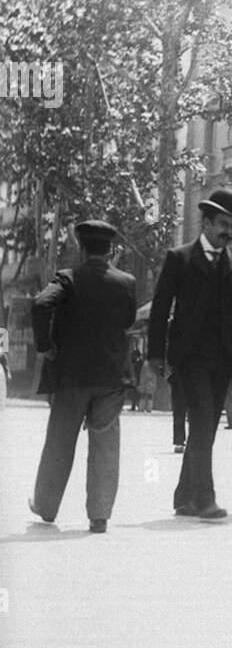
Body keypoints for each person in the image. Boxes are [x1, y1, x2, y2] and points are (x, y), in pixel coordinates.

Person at [28, 219, 136, 533]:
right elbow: (128, 320)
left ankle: (47, 508)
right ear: (112, 248)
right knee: (105, 444)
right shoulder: (127, 281)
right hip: (109, 375)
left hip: (71, 375)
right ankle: (99, 516)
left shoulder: (67, 278)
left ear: (81, 246)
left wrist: (46, 345)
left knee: (60, 442)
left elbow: (40, 304)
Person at [147, 187, 232, 519]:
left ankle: (183, 496)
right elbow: (160, 307)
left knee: (207, 427)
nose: (229, 232)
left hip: (222, 358)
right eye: (223, 224)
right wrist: (155, 354)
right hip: (189, 356)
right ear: (206, 222)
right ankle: (204, 498)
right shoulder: (180, 257)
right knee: (203, 421)